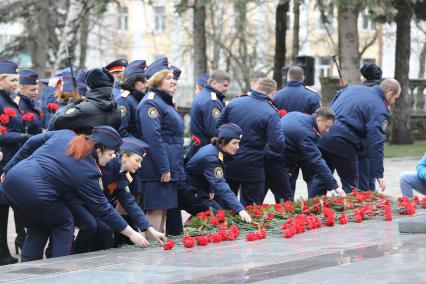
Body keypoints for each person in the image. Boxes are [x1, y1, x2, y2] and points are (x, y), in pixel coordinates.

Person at [1, 126, 151, 262]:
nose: (113, 158)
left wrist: (8, 168)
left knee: (38, 227)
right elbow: (103, 208)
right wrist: (131, 234)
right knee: (65, 223)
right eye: (110, 154)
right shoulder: (89, 170)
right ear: (99, 151)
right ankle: (61, 272)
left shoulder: (66, 134)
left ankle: (26, 273)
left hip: (12, 182)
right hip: (37, 191)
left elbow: (32, 142)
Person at [73, 137, 166, 252]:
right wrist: (132, 233)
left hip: (99, 207)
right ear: (125, 157)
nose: (140, 165)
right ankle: (76, 256)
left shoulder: (123, 173)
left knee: (106, 229)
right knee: (95, 227)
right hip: (83, 202)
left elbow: (129, 202)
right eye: (137, 160)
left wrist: (151, 229)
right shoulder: (106, 165)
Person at [312, 79, 401, 195]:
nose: (394, 101)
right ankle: (351, 212)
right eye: (395, 98)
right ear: (389, 93)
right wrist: (378, 174)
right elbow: (376, 142)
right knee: (352, 185)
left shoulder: (352, 88)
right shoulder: (379, 107)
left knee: (321, 178)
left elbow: (331, 108)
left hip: (323, 135)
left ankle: (312, 209)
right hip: (344, 142)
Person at [136, 58, 185, 239]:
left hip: (169, 164)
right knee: (156, 210)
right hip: (158, 167)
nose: (173, 81)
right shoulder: (151, 102)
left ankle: (157, 250)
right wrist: (164, 167)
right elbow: (153, 139)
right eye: (168, 77)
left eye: (174, 78)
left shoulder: (163, 102)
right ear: (157, 80)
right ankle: (150, 253)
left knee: (163, 209)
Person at [217, 78, 285, 206]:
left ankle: (222, 225)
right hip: (253, 163)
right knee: (251, 207)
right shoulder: (271, 112)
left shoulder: (235, 102)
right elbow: (277, 144)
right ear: (273, 92)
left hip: (229, 159)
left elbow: (219, 126)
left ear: (256, 88)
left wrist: (226, 146)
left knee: (225, 203)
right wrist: (265, 152)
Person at [180, 123, 252, 222]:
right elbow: (220, 184)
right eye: (234, 143)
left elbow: (205, 174)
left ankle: (192, 225)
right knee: (219, 217)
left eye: (238, 143)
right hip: (190, 193)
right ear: (223, 142)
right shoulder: (211, 158)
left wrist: (211, 190)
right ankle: (191, 230)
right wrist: (240, 209)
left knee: (217, 213)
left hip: (196, 190)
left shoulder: (214, 149)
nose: (238, 147)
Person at [280, 107, 345, 198]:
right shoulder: (307, 134)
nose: (327, 131)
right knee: (285, 199)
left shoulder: (298, 115)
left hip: (277, 157)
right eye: (326, 126)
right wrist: (335, 186)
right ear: (318, 120)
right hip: (279, 161)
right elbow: (317, 161)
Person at [0, 60, 27, 265]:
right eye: (12, 79)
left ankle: (5, 250)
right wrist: (21, 136)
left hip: (12, 159)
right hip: (3, 159)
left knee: (7, 205)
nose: (16, 83)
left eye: (17, 80)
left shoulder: (10, 99)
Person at [50, 68, 122, 134]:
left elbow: (56, 123)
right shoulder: (117, 109)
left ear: (89, 86)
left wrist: (71, 104)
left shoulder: (83, 109)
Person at [189, 70, 231, 158]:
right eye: (225, 85)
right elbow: (215, 130)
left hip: (201, 149)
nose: (227, 89)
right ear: (214, 83)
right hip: (207, 151)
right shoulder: (212, 102)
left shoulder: (204, 95)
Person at [116, 60, 147, 138]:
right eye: (143, 82)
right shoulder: (124, 100)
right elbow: (121, 131)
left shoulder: (138, 97)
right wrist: (139, 144)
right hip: (131, 147)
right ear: (133, 81)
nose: (146, 85)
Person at [16, 69, 44, 135]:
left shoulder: (33, 101)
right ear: (22, 87)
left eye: (37, 89)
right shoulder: (16, 104)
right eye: (33, 90)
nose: (37, 93)